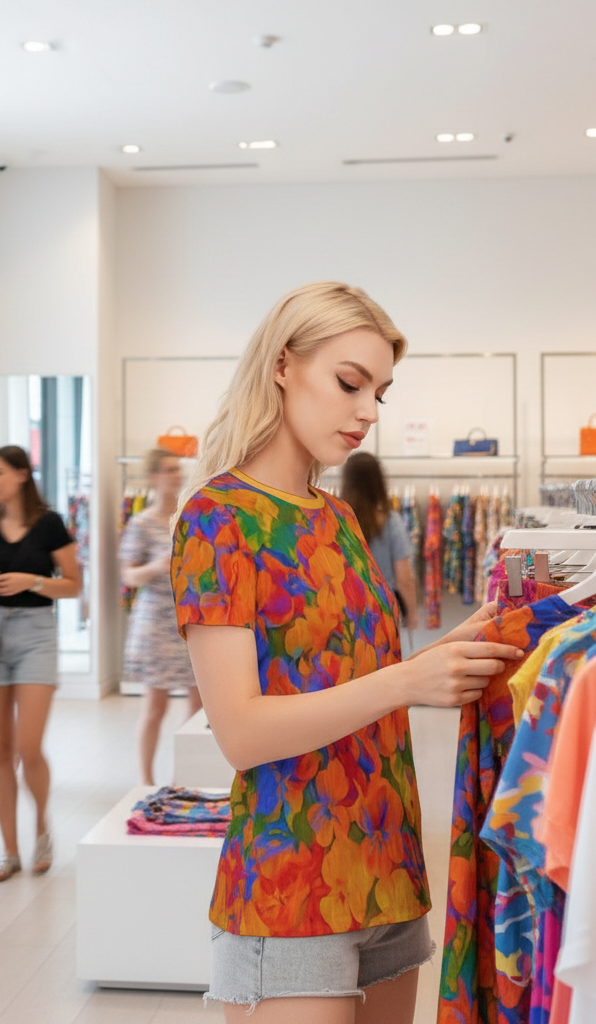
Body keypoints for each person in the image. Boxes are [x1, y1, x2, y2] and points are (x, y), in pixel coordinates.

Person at [170, 281, 524, 1024]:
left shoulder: (336, 519)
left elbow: (355, 675)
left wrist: (458, 650)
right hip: (293, 874)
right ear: (281, 365)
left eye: (380, 393)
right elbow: (239, 731)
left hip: (389, 862)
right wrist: (406, 681)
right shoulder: (215, 518)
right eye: (349, 383)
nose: (367, 411)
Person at [0, 445, 80, 882]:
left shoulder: (49, 523)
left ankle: (43, 827)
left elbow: (72, 586)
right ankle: (9, 851)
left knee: (28, 747)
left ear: (21, 475)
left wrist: (31, 580)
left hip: (35, 633)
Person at [121, 447, 202, 785]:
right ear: (154, 477)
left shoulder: (190, 517)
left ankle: (184, 778)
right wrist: (156, 566)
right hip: (155, 623)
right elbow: (128, 577)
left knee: (198, 708)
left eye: (177, 469)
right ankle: (145, 780)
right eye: (168, 470)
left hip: (191, 624)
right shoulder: (140, 523)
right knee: (155, 708)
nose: (176, 475)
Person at [340, 451, 419, 629]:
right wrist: (411, 612)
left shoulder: (334, 520)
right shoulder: (390, 522)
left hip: (342, 611)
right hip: (381, 613)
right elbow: (404, 578)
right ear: (378, 482)